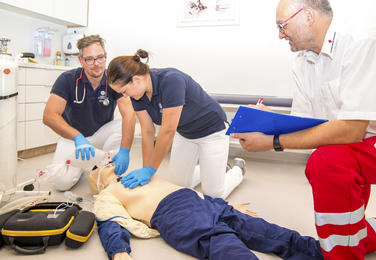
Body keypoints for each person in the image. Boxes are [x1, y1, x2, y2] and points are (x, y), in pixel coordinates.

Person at [229, 0, 376, 259]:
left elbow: (351, 130)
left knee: (326, 162)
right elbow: (308, 126)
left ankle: (342, 253)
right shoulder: (303, 63)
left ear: (308, 16)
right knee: (333, 165)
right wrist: (269, 120)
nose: (280, 34)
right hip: (355, 148)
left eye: (282, 25)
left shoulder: (364, 42)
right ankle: (355, 236)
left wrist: (273, 142)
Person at [89, 165, 324, 260]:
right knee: (225, 246)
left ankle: (329, 252)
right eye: (100, 167)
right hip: (173, 214)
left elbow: (183, 190)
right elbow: (109, 223)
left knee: (267, 231)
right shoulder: (107, 194)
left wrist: (225, 205)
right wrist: (118, 252)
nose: (108, 163)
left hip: (196, 200)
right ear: (97, 182)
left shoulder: (138, 173)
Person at [106, 49, 244, 199]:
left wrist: (149, 170)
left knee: (213, 196)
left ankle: (237, 170)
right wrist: (146, 171)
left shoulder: (171, 80)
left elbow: (167, 131)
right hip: (185, 133)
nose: (125, 96)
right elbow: (147, 131)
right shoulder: (136, 94)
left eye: (124, 91)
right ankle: (215, 169)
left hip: (212, 131)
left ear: (136, 79)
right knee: (177, 188)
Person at [43, 34, 136, 191]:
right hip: (74, 139)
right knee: (61, 184)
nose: (96, 64)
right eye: (89, 59)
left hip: (100, 135)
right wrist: (77, 137)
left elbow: (129, 114)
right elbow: (49, 116)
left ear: (106, 57)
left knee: (123, 123)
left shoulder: (113, 80)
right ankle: (79, 166)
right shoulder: (67, 80)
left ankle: (101, 167)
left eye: (100, 58)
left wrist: (125, 151)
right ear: (81, 60)